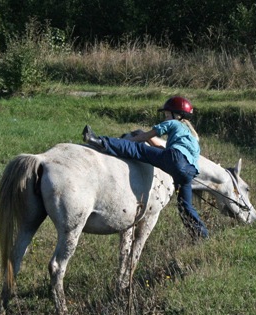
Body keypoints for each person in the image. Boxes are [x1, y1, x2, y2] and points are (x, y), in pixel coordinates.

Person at [82, 96, 209, 239]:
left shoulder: (173, 123)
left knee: (138, 148)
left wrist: (129, 140)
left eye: (167, 114)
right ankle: (201, 236)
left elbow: (146, 138)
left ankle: (98, 141)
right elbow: (163, 149)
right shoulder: (193, 137)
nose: (166, 117)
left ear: (177, 115)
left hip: (175, 159)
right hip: (189, 171)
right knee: (186, 207)